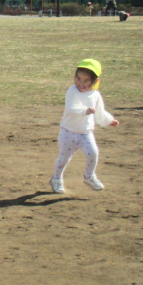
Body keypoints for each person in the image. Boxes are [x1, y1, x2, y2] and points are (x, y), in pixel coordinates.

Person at [49, 59, 119, 194]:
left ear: (95, 81)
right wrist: (85, 111)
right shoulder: (72, 91)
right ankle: (56, 179)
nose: (81, 83)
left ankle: (89, 176)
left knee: (93, 153)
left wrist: (108, 120)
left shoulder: (96, 95)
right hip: (68, 132)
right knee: (64, 158)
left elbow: (100, 112)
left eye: (86, 80)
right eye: (78, 78)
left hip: (86, 133)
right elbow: (71, 107)